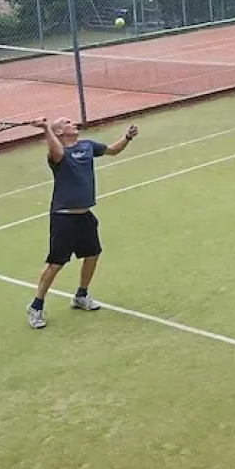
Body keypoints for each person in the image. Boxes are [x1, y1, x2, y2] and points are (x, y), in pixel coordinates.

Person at [27, 116, 138, 330]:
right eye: (67, 123)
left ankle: (81, 295)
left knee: (92, 254)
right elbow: (57, 152)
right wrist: (46, 129)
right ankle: (36, 306)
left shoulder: (88, 146)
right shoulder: (56, 154)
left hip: (85, 215)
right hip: (63, 217)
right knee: (56, 263)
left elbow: (113, 150)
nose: (73, 124)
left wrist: (127, 137)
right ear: (59, 132)